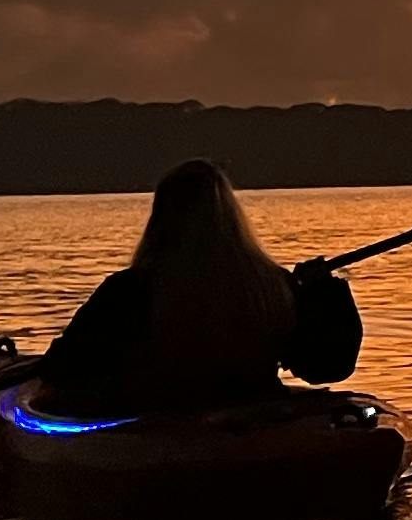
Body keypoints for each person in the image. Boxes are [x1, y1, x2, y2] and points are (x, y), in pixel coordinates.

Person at [37, 160, 363, 414]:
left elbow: (64, 368)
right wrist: (319, 296)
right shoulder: (272, 286)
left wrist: (323, 295)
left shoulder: (131, 290)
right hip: (257, 420)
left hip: (165, 426)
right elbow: (324, 367)